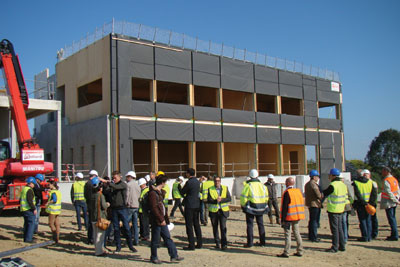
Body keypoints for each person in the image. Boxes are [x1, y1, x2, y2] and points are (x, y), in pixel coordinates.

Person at [149, 175, 184, 264]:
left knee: (168, 238)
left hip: (162, 219)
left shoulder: (158, 192)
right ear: (162, 182)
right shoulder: (153, 193)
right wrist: (161, 219)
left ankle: (174, 255)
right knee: (155, 240)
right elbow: (154, 208)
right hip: (157, 220)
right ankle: (154, 257)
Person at [105, 171, 137, 253]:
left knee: (126, 227)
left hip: (122, 208)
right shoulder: (113, 185)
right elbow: (108, 192)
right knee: (116, 229)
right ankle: (118, 246)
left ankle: (130, 246)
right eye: (113, 178)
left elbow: (117, 187)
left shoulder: (123, 184)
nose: (114, 179)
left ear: (120, 177)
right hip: (114, 209)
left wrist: (107, 182)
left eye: (115, 178)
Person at [240, 169, 269, 248]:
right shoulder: (263, 186)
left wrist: (243, 205)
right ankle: (262, 242)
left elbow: (243, 197)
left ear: (250, 176)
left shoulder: (248, 185)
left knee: (250, 225)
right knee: (261, 225)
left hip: (251, 208)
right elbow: (266, 197)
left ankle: (250, 243)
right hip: (261, 208)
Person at [278, 177, 305, 258]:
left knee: (287, 235)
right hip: (297, 216)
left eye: (286, 182)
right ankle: (300, 250)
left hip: (289, 217)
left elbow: (285, 207)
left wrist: (282, 219)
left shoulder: (287, 193)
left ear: (288, 183)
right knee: (297, 233)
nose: (285, 183)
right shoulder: (298, 191)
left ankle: (286, 252)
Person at [323, 168, 348, 253]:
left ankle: (335, 247)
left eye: (330, 175)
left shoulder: (333, 185)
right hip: (341, 209)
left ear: (333, 175)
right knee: (340, 228)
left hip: (333, 209)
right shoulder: (343, 185)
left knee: (334, 229)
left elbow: (325, 193)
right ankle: (342, 245)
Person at [180, 168, 202, 250]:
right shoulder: (197, 182)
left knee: (189, 225)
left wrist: (180, 187)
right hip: (196, 204)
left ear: (188, 174)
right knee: (196, 224)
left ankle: (191, 244)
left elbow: (183, 192)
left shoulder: (189, 182)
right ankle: (199, 243)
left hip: (189, 205)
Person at [206, 176, 231, 250]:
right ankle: (217, 242)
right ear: (214, 181)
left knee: (223, 227)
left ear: (220, 181)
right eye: (216, 181)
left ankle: (224, 244)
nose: (217, 182)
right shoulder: (210, 189)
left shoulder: (225, 188)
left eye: (218, 181)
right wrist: (216, 200)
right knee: (215, 227)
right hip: (214, 211)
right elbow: (208, 199)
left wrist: (222, 200)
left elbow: (229, 198)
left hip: (223, 211)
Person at [352, 168, 377, 242]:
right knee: (368, 220)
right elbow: (374, 194)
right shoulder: (370, 182)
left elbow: (358, 194)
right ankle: (369, 236)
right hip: (369, 204)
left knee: (362, 220)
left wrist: (364, 203)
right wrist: (370, 203)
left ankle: (365, 236)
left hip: (360, 204)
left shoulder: (356, 182)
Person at [380, 166, 400, 241]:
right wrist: (397, 198)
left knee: (391, 219)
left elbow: (388, 192)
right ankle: (394, 234)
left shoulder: (387, 180)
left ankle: (394, 235)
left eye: (383, 171)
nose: (382, 172)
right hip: (393, 201)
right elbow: (397, 189)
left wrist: (394, 200)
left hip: (389, 202)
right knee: (393, 218)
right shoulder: (394, 179)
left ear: (386, 171)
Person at [90, 177, 108, 256]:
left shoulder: (92, 195)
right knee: (100, 235)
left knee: (95, 234)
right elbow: (104, 206)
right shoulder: (100, 196)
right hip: (100, 217)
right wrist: (107, 204)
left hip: (93, 217)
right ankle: (99, 251)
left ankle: (97, 250)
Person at [304, 170, 322, 242]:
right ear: (314, 177)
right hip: (315, 204)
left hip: (310, 204)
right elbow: (318, 195)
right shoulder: (313, 184)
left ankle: (311, 236)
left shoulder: (307, 184)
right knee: (314, 221)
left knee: (311, 220)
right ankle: (314, 236)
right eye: (317, 176)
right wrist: (321, 196)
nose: (318, 178)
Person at [125, 171, 141, 246]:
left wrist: (126, 203)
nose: (126, 178)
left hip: (130, 206)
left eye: (127, 177)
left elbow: (127, 196)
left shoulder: (128, 185)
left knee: (126, 222)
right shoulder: (138, 185)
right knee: (135, 224)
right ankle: (136, 240)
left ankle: (128, 239)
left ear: (130, 177)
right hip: (136, 205)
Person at [20, 177, 37, 243]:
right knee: (31, 224)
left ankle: (26, 238)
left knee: (27, 224)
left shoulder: (24, 189)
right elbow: (30, 201)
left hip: (24, 209)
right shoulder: (29, 190)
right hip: (29, 209)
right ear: (31, 183)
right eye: (33, 184)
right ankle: (29, 239)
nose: (34, 185)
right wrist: (34, 208)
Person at [363, 169, 379, 239]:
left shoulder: (373, 183)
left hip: (372, 203)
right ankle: (370, 233)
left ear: (369, 175)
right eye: (364, 175)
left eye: (367, 174)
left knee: (373, 218)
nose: (365, 176)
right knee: (368, 219)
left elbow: (375, 194)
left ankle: (374, 233)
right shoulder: (363, 183)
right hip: (367, 203)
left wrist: (371, 203)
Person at [84, 169, 98, 244]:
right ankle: (93, 238)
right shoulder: (93, 184)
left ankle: (90, 238)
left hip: (89, 205)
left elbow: (86, 195)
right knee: (94, 222)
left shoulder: (87, 184)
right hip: (93, 205)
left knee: (90, 222)